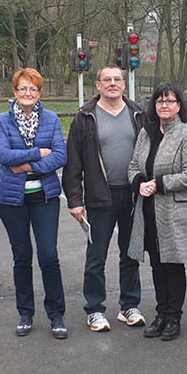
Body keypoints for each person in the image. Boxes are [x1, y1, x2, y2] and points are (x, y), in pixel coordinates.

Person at [63, 64, 146, 332]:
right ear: (97, 85)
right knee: (96, 256)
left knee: (130, 254)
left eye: (117, 79)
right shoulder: (85, 118)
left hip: (133, 195)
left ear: (124, 84)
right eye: (106, 80)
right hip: (100, 197)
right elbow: (73, 164)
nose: (112, 83)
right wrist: (75, 201)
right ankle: (95, 309)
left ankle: (129, 306)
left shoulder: (139, 114)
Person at [0, 68, 68, 340]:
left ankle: (56, 314)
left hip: (44, 197)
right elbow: (3, 154)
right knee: (22, 257)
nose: (28, 94)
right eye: (23, 88)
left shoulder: (50, 119)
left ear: (39, 92)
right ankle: (25, 312)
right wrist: (37, 153)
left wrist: (24, 165)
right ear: (14, 92)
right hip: (11, 200)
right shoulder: (2, 121)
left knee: (49, 256)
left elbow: (60, 155)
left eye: (33, 89)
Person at [127, 84, 187, 341]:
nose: (164, 106)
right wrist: (139, 182)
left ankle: (174, 317)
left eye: (170, 101)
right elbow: (134, 165)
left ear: (179, 105)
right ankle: (160, 314)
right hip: (148, 209)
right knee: (157, 264)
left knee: (173, 263)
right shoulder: (146, 134)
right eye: (159, 101)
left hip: (174, 209)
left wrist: (159, 184)